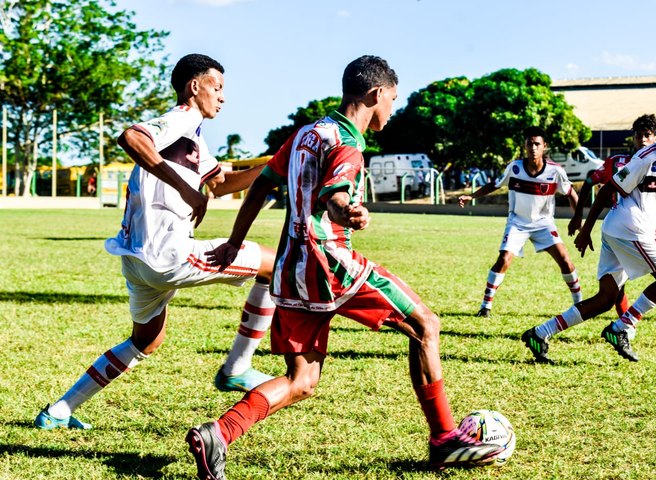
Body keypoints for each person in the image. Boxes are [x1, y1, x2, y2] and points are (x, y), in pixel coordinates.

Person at [185, 55, 503, 479]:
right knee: (426, 325)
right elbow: (337, 192)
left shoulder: (305, 134)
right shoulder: (348, 143)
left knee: (302, 381)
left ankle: (219, 433)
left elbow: (261, 185)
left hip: (289, 271)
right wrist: (347, 210)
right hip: (329, 263)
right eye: (393, 98)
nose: (392, 108)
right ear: (376, 94)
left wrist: (235, 242)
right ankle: (445, 438)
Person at [35, 54, 277, 430]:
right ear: (195, 87)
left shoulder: (194, 138)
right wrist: (186, 189)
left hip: (137, 259)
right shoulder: (179, 119)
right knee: (273, 264)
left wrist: (274, 165)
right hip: (168, 255)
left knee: (146, 340)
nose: (223, 97)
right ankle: (237, 367)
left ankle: (59, 411)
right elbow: (131, 137)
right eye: (217, 87)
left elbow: (221, 183)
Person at [523, 108, 656, 363]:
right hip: (629, 229)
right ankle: (621, 328)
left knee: (606, 299)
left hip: (623, 230)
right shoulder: (646, 158)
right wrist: (585, 229)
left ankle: (540, 333)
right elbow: (606, 192)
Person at [566, 114, 656, 347]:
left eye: (647, 135)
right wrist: (580, 220)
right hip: (627, 227)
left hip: (648, 229)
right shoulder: (624, 161)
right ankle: (624, 327)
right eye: (639, 135)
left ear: (655, 136)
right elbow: (593, 185)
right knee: (621, 290)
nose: (643, 139)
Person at [458, 126, 582, 318]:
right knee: (504, 259)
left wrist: (577, 218)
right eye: (529, 144)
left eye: (537, 144)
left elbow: (571, 193)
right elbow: (495, 184)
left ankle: (580, 304)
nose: (533, 148)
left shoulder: (555, 171)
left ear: (544, 146)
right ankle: (485, 307)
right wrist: (471, 196)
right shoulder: (514, 168)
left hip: (544, 224)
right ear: (524, 146)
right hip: (517, 223)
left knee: (565, 261)